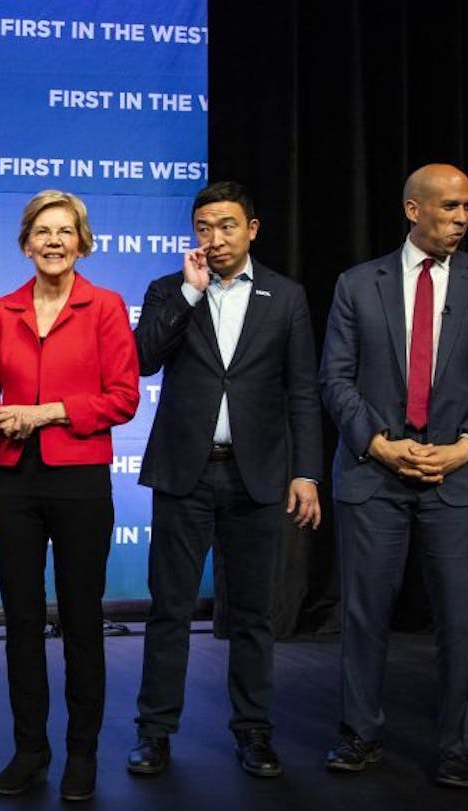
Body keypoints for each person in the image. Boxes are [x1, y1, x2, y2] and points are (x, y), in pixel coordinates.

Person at [319, 163, 468, 788]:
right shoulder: (358, 285)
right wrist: (379, 445)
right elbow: (336, 378)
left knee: (462, 618)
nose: (461, 219)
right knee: (363, 614)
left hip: (461, 480)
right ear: (414, 210)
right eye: (449, 207)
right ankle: (359, 734)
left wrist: (466, 446)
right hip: (372, 474)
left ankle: (457, 746)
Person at [128, 181, 322, 779]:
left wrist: (306, 472)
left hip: (257, 476)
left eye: (227, 226)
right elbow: (142, 359)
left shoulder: (285, 297)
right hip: (185, 474)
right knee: (169, 610)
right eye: (205, 227)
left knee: (254, 615)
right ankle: (155, 734)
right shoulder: (169, 289)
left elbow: (302, 392)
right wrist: (189, 293)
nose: (215, 238)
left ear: (253, 229)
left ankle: (253, 733)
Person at [0, 190, 139, 801]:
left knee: (83, 620)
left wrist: (46, 413)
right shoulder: (1, 310)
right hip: (13, 481)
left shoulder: (107, 306)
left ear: (82, 242)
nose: (55, 240)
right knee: (21, 621)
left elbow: (123, 397)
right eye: (44, 231)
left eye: (66, 231)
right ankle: (30, 750)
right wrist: (0, 420)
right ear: (25, 242)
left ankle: (82, 754)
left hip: (80, 481)